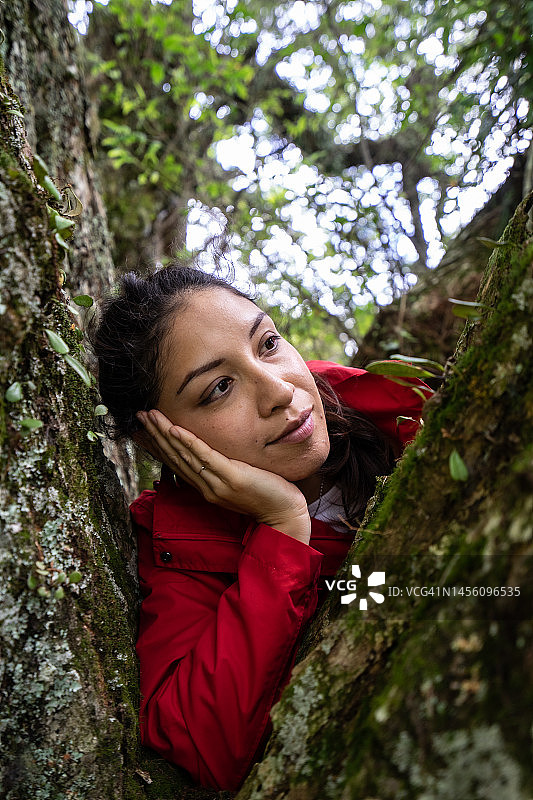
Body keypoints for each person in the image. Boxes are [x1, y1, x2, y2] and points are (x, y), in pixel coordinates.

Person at [90, 262, 430, 792]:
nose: (277, 391)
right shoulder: (181, 545)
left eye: (267, 344)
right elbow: (200, 743)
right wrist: (282, 528)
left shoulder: (391, 409)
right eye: (219, 387)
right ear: (160, 440)